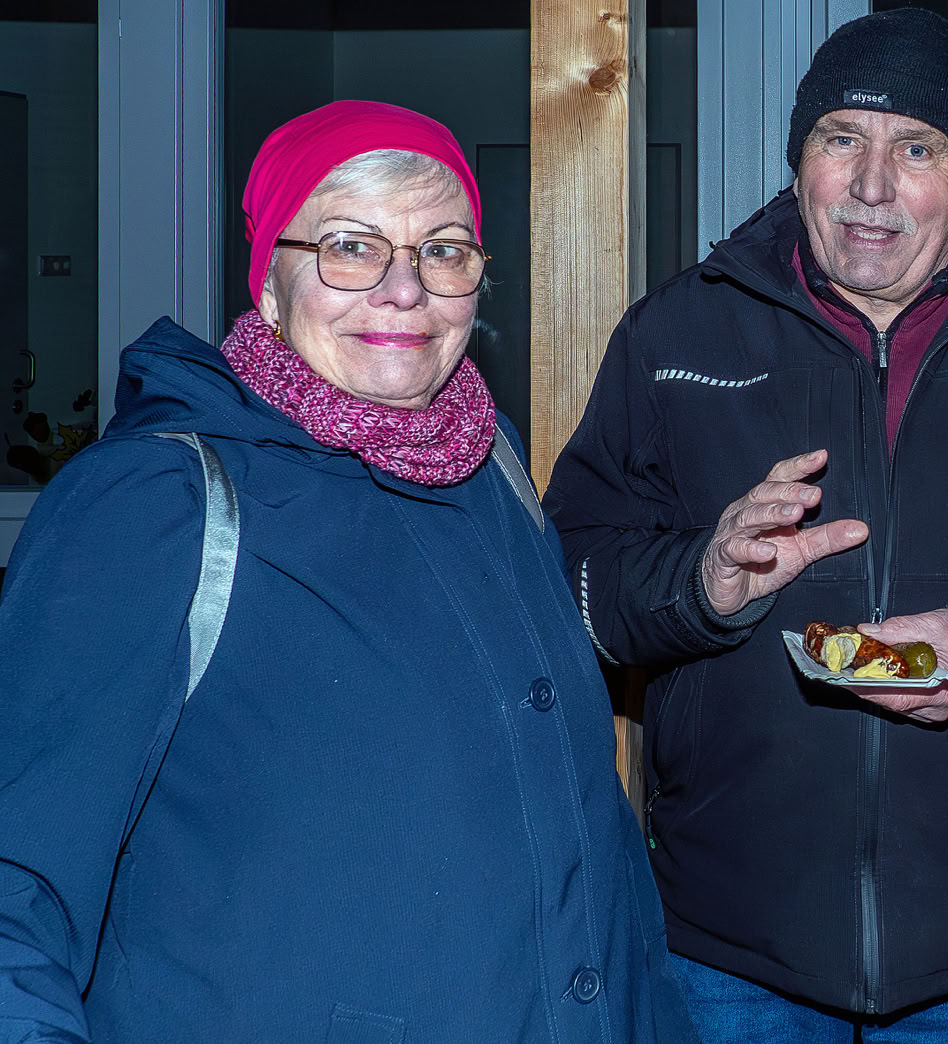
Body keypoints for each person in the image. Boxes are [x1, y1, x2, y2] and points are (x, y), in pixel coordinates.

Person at [543, 8, 948, 1039]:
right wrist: (702, 583)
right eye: (840, 137)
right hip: (729, 944)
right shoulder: (678, 331)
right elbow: (571, 584)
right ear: (799, 160)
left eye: (918, 148)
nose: (873, 184)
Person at [0, 101, 694, 1043]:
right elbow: (20, 883)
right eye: (350, 247)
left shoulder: (488, 464)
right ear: (271, 285)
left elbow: (576, 822)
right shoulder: (158, 499)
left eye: (444, 250)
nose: (405, 290)